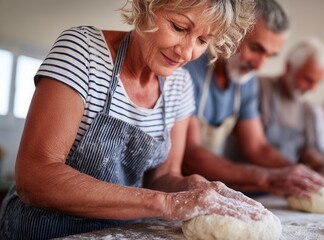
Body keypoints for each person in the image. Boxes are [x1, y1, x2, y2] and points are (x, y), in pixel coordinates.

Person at [0, 1, 265, 239]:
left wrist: (193, 186)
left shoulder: (180, 85)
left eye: (203, 40)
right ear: (145, 5)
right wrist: (167, 204)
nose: (186, 53)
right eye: (179, 27)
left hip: (124, 233)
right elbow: (35, 178)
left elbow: (162, 176)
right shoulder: (82, 51)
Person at [184, 0, 324, 198]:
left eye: (269, 56)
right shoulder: (191, 66)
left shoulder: (245, 82)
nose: (260, 66)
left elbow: (257, 147)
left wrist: (303, 173)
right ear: (230, 30)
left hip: (207, 191)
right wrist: (267, 178)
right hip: (176, 189)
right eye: (256, 48)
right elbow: (190, 154)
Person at [258, 38, 324, 178]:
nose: (312, 89)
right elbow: (257, 148)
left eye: (318, 83)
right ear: (288, 67)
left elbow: (305, 152)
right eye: (308, 80)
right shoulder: (261, 89)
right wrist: (295, 170)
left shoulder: (305, 108)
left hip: (287, 181)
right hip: (256, 182)